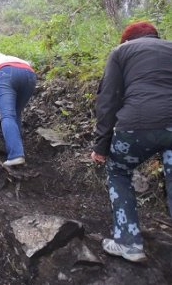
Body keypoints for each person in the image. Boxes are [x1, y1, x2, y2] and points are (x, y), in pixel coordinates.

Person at [91, 21, 172, 263]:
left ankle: (129, 243)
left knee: (118, 170)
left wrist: (101, 146)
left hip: (136, 126)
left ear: (127, 40)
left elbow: (108, 100)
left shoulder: (121, 52)